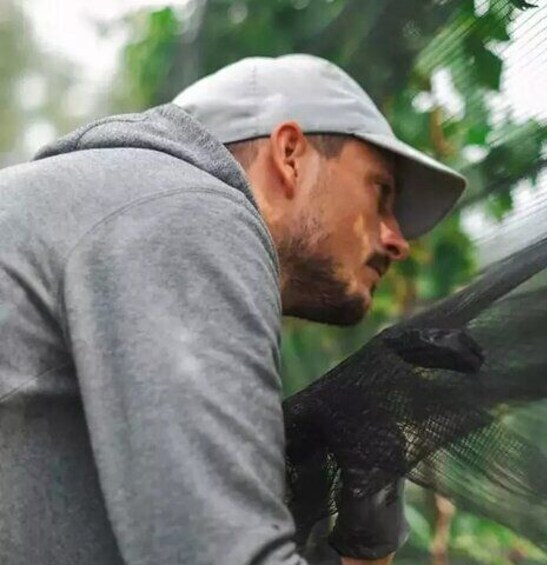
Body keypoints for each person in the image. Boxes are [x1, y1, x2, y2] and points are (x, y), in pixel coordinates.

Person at [0, 54, 466, 564]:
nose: (397, 240)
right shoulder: (193, 214)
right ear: (290, 154)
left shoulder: (126, 201)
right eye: (381, 192)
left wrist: (361, 550)